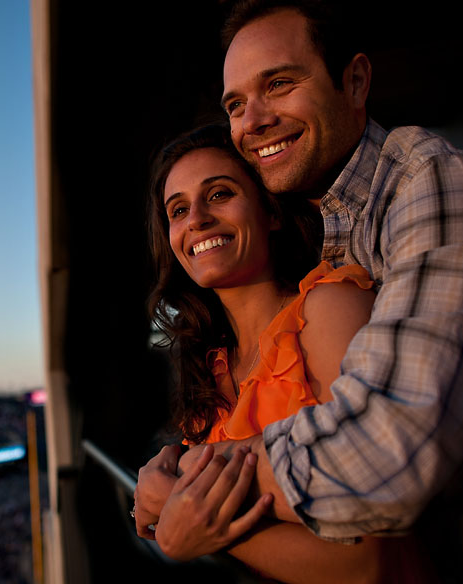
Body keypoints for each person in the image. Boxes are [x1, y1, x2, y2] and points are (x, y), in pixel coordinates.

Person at [136, 0, 463, 575]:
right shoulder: (334, 229)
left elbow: (386, 459)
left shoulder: (436, 185)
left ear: (353, 82)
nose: (255, 120)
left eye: (279, 83)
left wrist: (189, 492)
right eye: (235, 104)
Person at [137, 123, 432, 582]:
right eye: (178, 210)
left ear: (270, 212)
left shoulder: (330, 307)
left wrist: (196, 527)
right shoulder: (208, 371)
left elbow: (371, 561)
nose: (196, 218)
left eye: (218, 194)